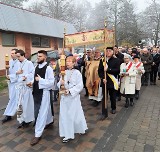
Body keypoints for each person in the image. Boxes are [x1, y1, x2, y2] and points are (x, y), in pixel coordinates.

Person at [58, 56, 88, 143]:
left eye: (70, 61)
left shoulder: (77, 73)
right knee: (65, 116)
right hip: (64, 98)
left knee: (75, 114)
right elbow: (58, 84)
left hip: (73, 97)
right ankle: (68, 134)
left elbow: (80, 86)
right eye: (67, 61)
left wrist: (70, 91)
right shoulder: (63, 72)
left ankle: (80, 128)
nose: (68, 63)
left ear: (74, 63)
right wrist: (61, 83)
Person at [30, 50, 55, 146]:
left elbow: (51, 82)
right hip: (36, 92)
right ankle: (49, 121)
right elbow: (34, 79)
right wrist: (32, 82)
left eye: (40, 56)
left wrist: (40, 80)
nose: (38, 58)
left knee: (41, 113)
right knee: (45, 110)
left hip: (44, 93)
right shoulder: (36, 67)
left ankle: (38, 134)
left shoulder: (48, 68)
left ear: (44, 57)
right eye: (37, 56)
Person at [98, 47, 120, 120]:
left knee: (112, 96)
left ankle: (113, 108)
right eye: (106, 51)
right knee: (104, 97)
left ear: (112, 52)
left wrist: (108, 69)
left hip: (112, 81)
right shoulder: (102, 60)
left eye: (109, 51)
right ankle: (104, 112)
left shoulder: (116, 60)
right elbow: (100, 71)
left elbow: (117, 70)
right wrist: (102, 78)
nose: (108, 52)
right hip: (104, 81)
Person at [15, 49, 34, 128]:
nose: (18, 58)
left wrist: (26, 77)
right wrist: (17, 73)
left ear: (23, 55)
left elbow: (32, 73)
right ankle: (21, 120)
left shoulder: (29, 63)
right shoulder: (18, 63)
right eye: (17, 57)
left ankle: (28, 120)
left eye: (19, 56)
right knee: (20, 104)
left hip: (26, 87)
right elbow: (17, 74)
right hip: (20, 87)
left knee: (27, 105)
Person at [2, 49, 20, 124]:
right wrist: (7, 73)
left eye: (13, 53)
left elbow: (19, 74)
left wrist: (11, 77)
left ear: (16, 54)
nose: (11, 55)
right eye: (11, 53)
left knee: (14, 99)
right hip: (11, 83)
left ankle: (8, 115)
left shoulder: (19, 62)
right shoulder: (9, 61)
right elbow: (8, 72)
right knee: (12, 99)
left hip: (17, 83)